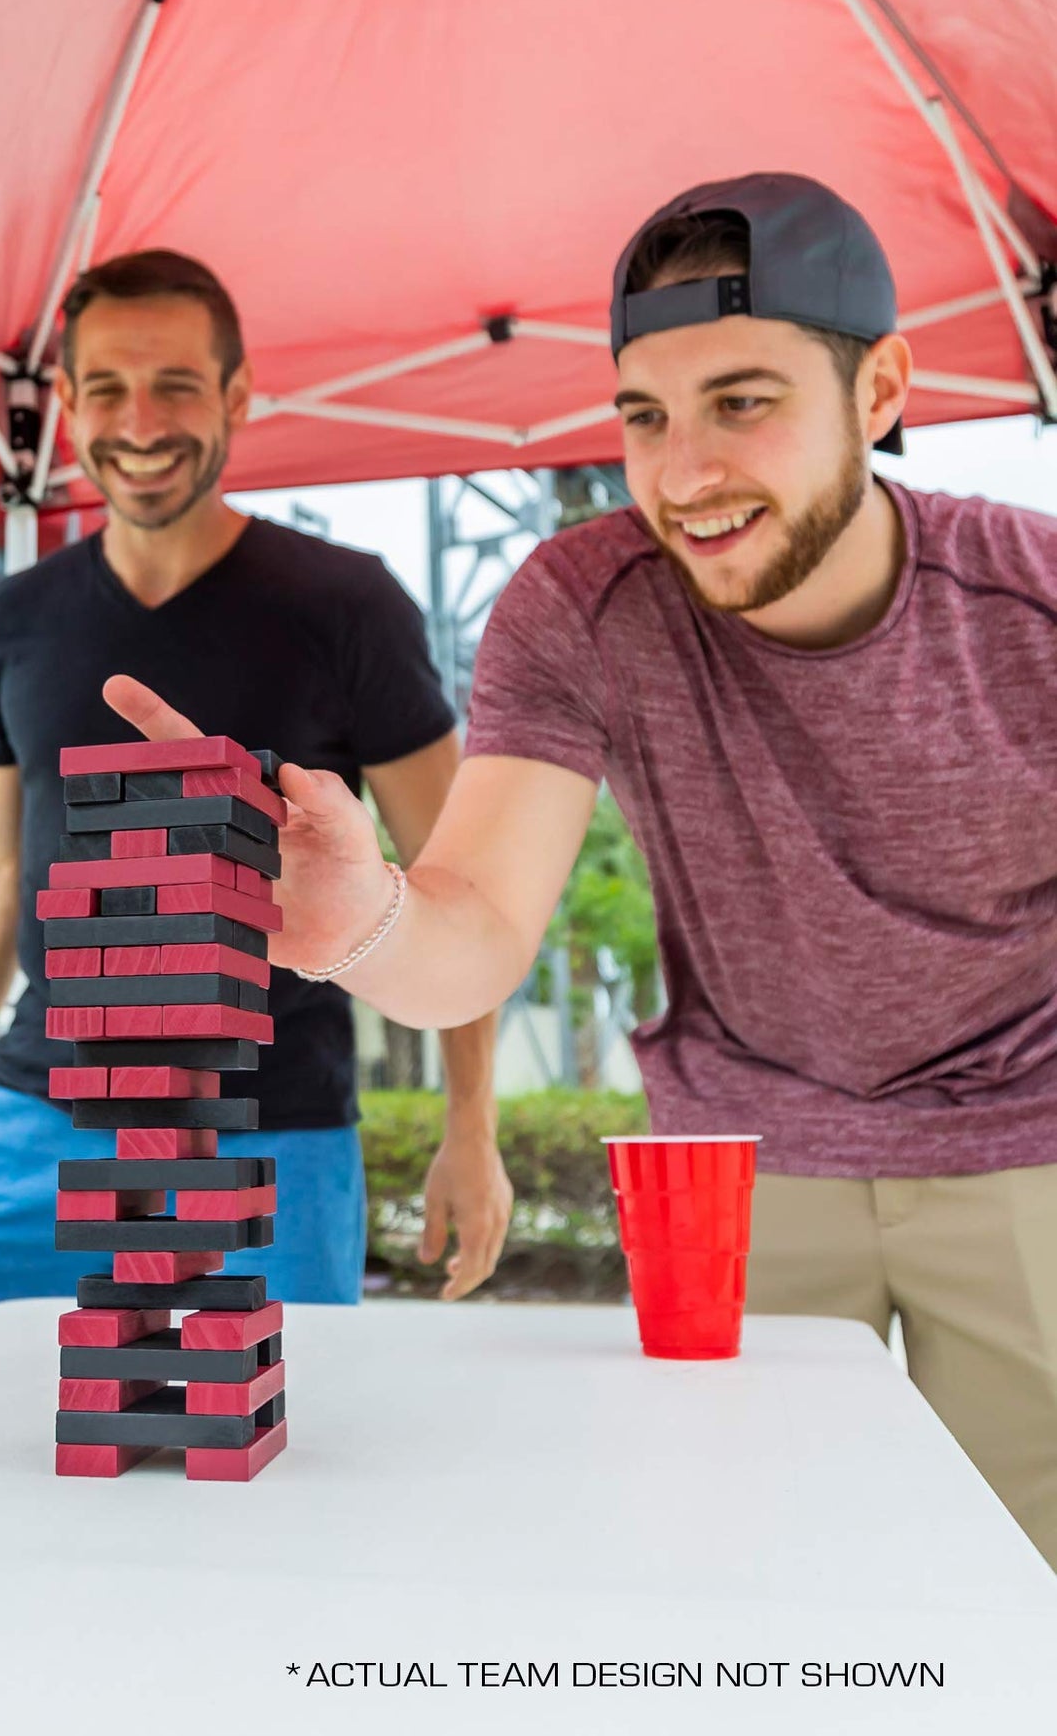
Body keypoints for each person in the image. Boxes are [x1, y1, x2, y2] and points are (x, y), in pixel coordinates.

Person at [106, 174, 1057, 1566]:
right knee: (757, 1578)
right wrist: (364, 919)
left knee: (1022, 1586)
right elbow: (479, 922)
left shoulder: (1029, 602)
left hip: (1027, 1146)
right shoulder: (580, 603)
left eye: (740, 401)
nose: (682, 472)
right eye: (643, 416)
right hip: (738, 1161)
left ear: (878, 392)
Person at [0, 250, 505, 1324]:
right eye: (108, 388)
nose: (140, 422)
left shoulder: (348, 607)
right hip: (32, 1106)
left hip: (270, 1121)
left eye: (175, 385)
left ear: (235, 395)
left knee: (266, 1427)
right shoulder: (14, 616)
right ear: (68, 402)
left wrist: (472, 1124)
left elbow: (454, 881)